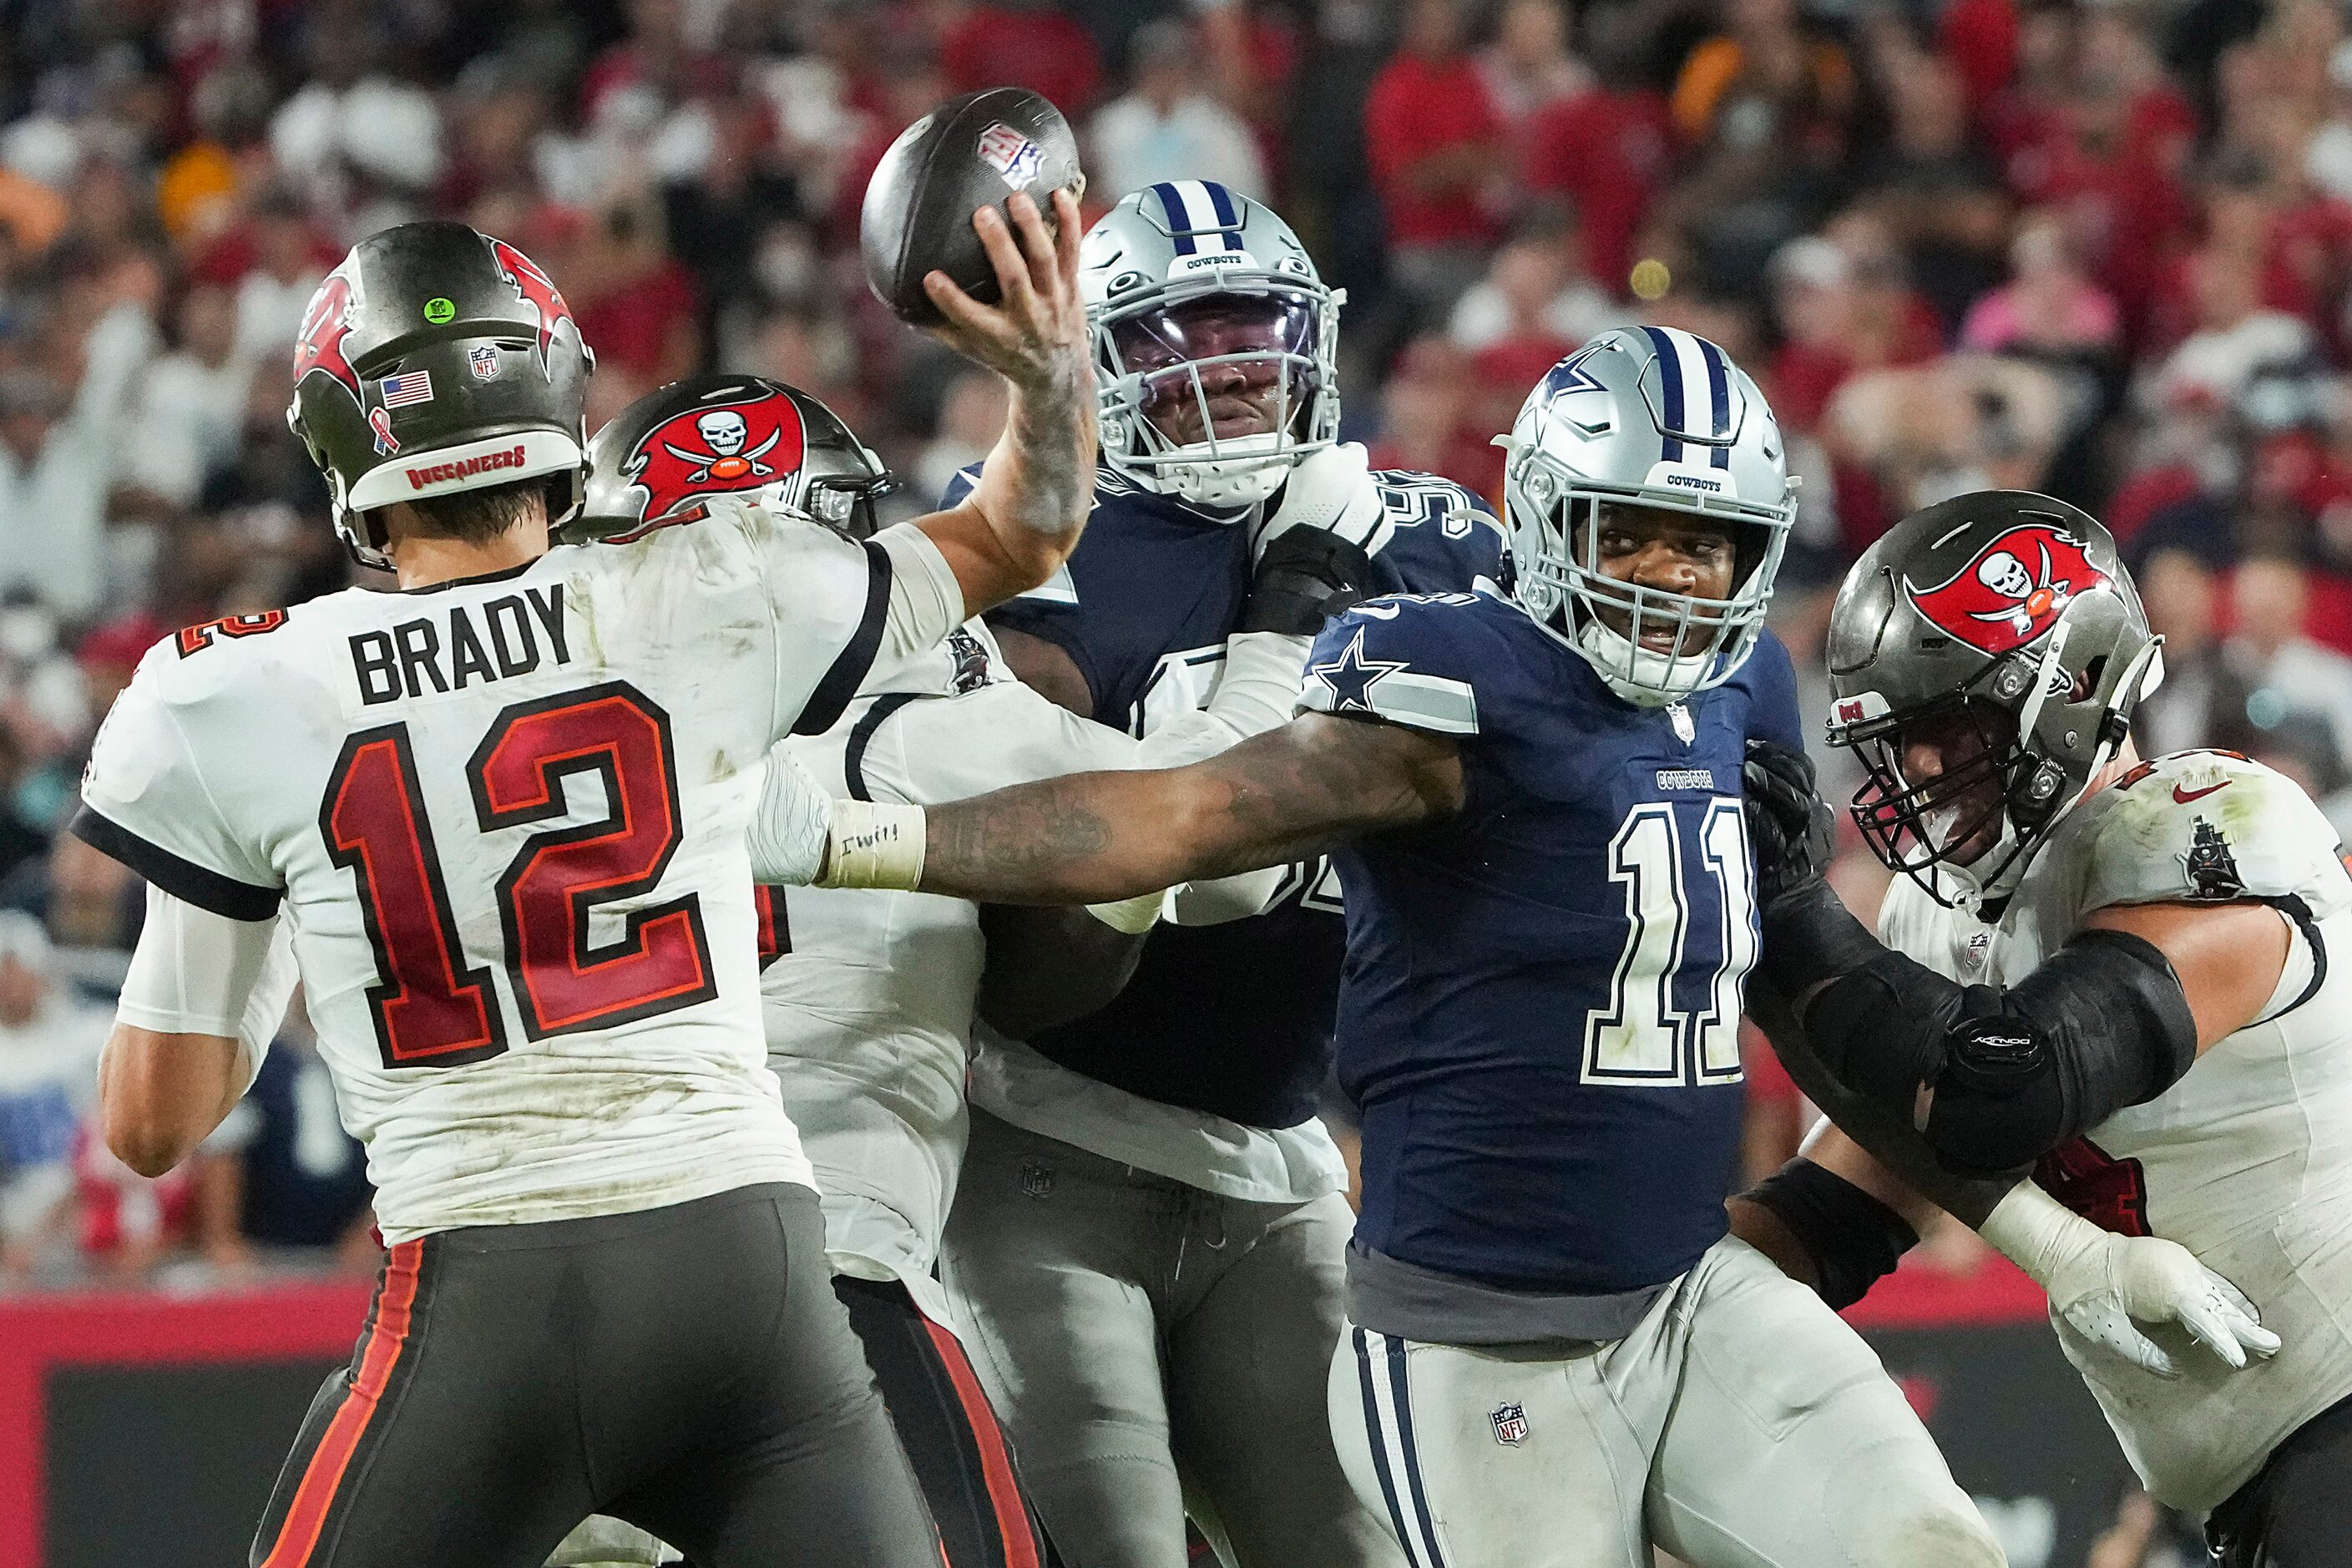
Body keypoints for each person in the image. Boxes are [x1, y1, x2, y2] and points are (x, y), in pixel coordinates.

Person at [780, 326, 2018, 1566]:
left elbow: (1800, 969)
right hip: (1476, 1337)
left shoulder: (1743, 683)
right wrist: (844, 832)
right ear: (1543, 520)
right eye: (1624, 532)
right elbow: (1172, 819)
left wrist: (2044, 1226)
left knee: (1932, 1546)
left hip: (1691, 1290)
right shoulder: (1453, 681)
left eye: (1704, 543)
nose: (1666, 576)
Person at [68, 192, 1095, 1568]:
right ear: (554, 389)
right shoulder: (705, 588)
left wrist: (261, 903)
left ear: (336, 439)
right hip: (751, 1273)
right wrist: (1044, 371)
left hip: (484, 1290)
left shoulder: (232, 695)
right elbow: (1021, 536)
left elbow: (152, 1124)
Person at [562, 367, 1376, 1568]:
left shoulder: (520, 707)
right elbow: (1201, 833)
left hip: (534, 1276)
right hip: (810, 1265)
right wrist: (1288, 607)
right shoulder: (888, 702)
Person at [916, 180, 1502, 1568]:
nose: (1232, 370)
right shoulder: (1033, 542)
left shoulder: (1427, 536)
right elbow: (1074, 876)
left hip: (1275, 1152)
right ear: (1100, 365)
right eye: (1183, 335)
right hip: (1040, 1141)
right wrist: (1287, 614)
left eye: (1254, 330)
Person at [1731, 491, 2344, 1568]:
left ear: (2062, 693)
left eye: (1945, 726)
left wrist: (1780, 915)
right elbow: (1846, 1203)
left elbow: (1999, 1090)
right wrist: (1633, 1308)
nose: (1915, 770)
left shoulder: (2214, 827)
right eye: (1895, 736)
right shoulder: (1941, 914)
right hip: (2263, 1483)